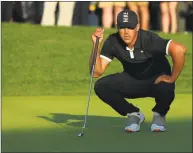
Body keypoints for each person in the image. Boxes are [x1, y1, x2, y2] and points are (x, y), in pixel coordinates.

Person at [89, 10, 186, 132]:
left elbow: (179, 50)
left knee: (166, 86)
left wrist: (172, 78)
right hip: (132, 80)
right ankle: (134, 113)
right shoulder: (113, 41)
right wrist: (96, 45)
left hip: (156, 81)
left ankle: (159, 114)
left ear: (137, 27)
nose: (126, 32)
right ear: (117, 27)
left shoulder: (149, 39)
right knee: (101, 86)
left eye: (130, 27)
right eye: (122, 27)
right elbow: (96, 72)